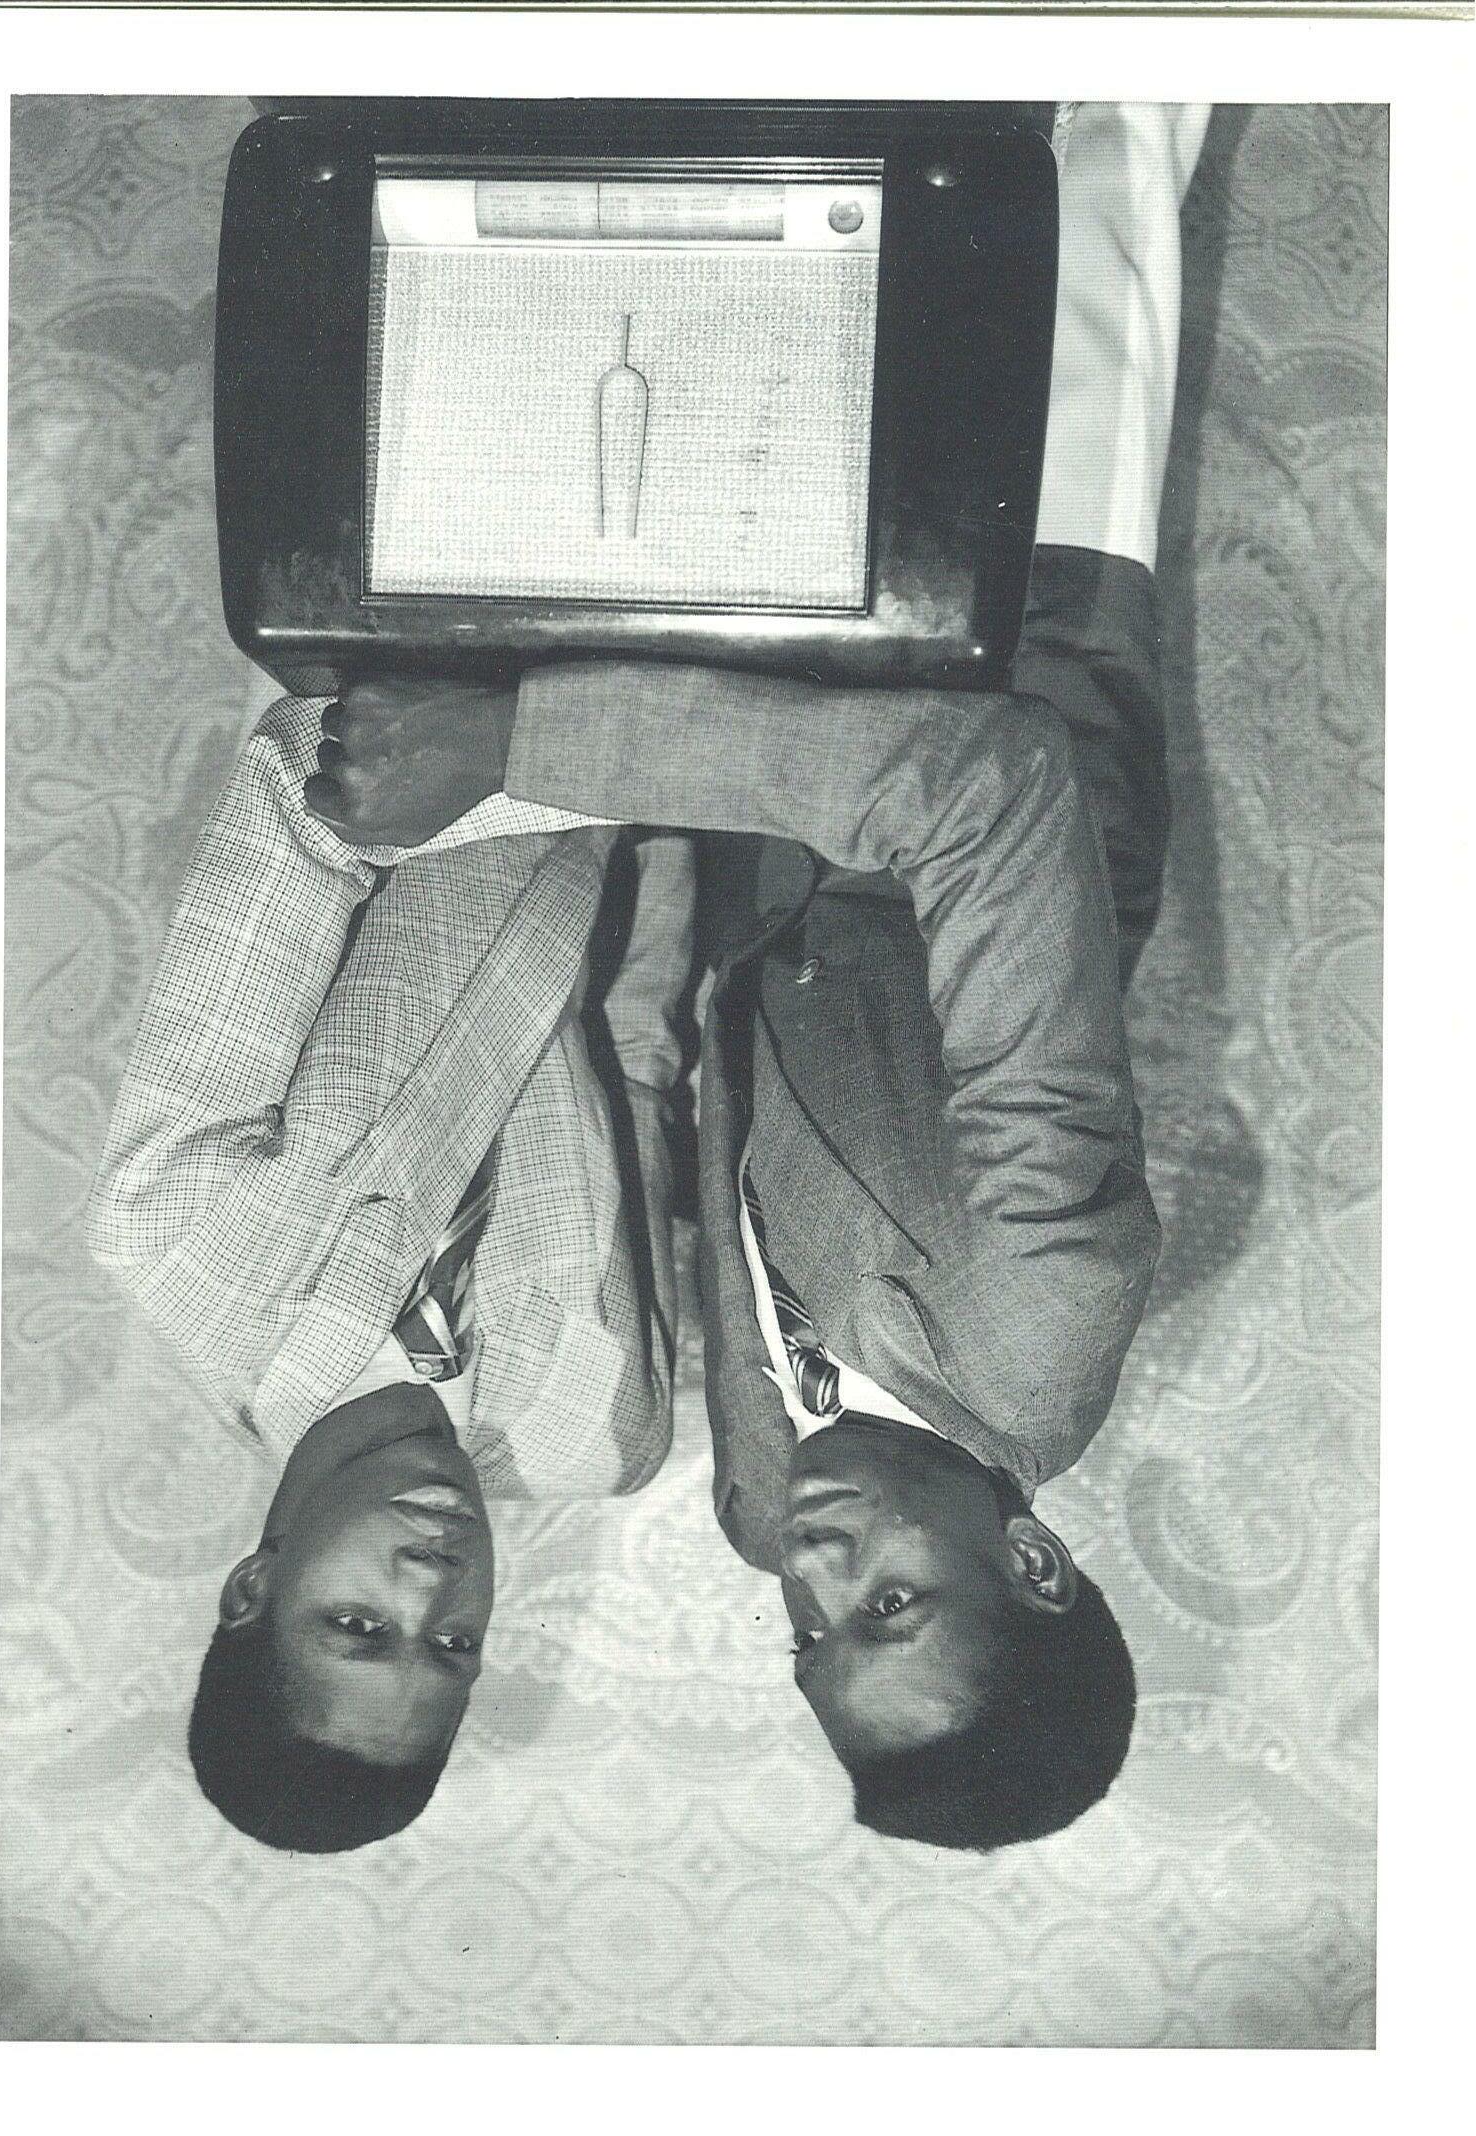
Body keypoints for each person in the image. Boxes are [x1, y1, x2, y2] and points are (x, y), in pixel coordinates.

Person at [306, 103, 1208, 1853]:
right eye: (891, 1606)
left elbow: (726, 1102)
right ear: (1032, 1560)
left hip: (761, 764)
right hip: (1005, 653)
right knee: (1090, 154)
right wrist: (512, 743)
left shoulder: (758, 1499)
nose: (814, 1572)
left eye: (812, 1637)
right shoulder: (1048, 1305)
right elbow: (991, 792)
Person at [87, 701, 693, 1853]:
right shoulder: (602, 1435)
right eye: (453, 1645)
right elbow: (638, 1057)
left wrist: (602, 744)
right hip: (694, 770)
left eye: (360, 1626)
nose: (431, 1585)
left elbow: (297, 790)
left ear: (252, 1590)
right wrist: (684, 797)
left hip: (450, 665)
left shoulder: (173, 1239)